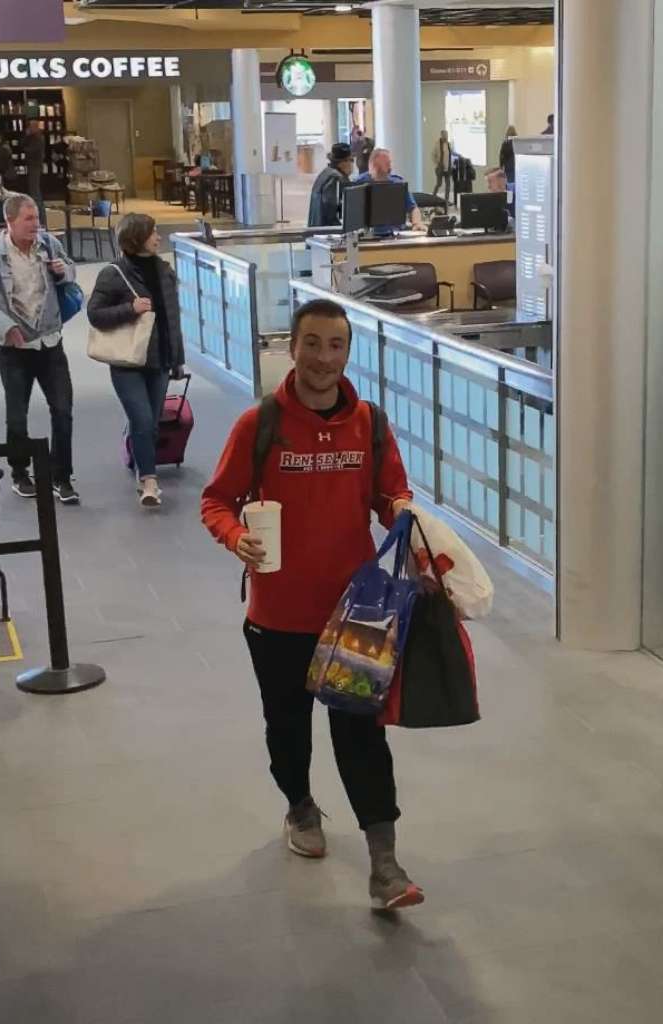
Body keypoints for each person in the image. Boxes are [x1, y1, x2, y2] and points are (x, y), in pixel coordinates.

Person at [201, 298, 424, 912]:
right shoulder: (260, 424)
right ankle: (300, 806)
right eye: (313, 344)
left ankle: (385, 864)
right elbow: (216, 500)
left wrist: (402, 511)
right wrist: (235, 536)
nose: (324, 358)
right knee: (288, 726)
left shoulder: (370, 424)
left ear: (348, 352)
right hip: (277, 619)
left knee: (361, 737)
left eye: (336, 346)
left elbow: (391, 494)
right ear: (291, 347)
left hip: (354, 616)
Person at [0, 193, 79, 504]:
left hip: (51, 343)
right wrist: (5, 327)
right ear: (10, 221)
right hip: (15, 350)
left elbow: (71, 272)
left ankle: (61, 476)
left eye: (37, 218)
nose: (36, 225)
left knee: (63, 411)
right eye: (28, 219)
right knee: (17, 415)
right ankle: (19, 472)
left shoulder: (49, 245)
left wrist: (63, 271)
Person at [87, 213, 185, 509]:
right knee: (142, 420)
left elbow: (172, 320)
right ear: (137, 237)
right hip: (126, 362)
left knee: (149, 423)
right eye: (154, 232)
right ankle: (149, 481)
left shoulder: (165, 271)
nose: (158, 237)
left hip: (160, 360)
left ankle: (138, 449)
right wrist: (130, 309)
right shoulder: (113, 274)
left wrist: (177, 359)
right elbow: (95, 314)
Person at [353, 148, 423, 235]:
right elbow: (352, 213)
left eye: (389, 163)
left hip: (396, 235)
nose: (390, 167)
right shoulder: (359, 183)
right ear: (373, 166)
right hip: (367, 235)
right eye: (386, 164)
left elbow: (413, 208)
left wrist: (417, 223)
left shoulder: (398, 183)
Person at [307, 142, 354, 228]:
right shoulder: (336, 179)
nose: (352, 165)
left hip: (317, 230)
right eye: (351, 160)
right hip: (328, 234)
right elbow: (332, 212)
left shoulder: (326, 173)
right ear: (343, 162)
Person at [22, 119, 46, 226]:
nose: (29, 128)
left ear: (35, 127)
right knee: (34, 191)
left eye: (31, 127)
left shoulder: (38, 138)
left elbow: (29, 150)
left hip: (35, 166)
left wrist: (26, 143)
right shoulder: (34, 137)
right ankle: (38, 216)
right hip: (33, 166)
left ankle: (40, 218)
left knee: (35, 192)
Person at [431, 129, 454, 203]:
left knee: (448, 184)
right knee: (439, 183)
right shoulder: (437, 144)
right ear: (441, 135)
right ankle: (432, 197)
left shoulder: (448, 144)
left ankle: (446, 200)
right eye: (444, 135)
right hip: (440, 168)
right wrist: (438, 163)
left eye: (446, 135)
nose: (446, 136)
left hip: (448, 167)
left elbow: (451, 154)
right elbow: (433, 155)